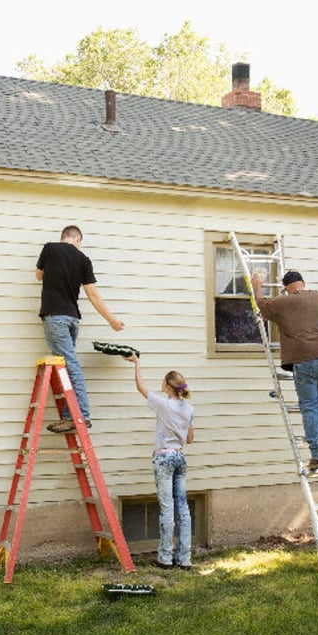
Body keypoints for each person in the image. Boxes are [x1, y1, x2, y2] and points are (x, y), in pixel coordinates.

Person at [35, 225, 125, 433]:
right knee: (67, 367)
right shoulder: (84, 260)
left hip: (55, 317)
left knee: (71, 367)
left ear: (63, 237)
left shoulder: (50, 248)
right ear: (78, 240)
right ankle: (70, 416)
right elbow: (93, 295)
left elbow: (38, 275)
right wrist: (112, 320)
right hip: (73, 319)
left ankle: (81, 416)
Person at [251, 269, 318, 472]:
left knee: (308, 406)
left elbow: (261, 306)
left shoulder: (285, 302)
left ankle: (317, 456)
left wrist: (257, 285)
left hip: (306, 359)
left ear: (285, 288)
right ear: (303, 283)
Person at [125, 353, 195, 570]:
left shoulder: (164, 404)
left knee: (167, 508)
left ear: (167, 385)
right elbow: (190, 439)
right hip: (180, 458)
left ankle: (165, 558)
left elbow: (140, 387)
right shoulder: (189, 408)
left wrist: (136, 363)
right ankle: (184, 559)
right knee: (182, 509)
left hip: (163, 458)